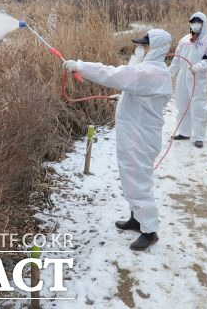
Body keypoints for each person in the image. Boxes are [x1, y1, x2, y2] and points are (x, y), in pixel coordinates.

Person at [62, 29, 173, 251]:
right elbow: (136, 88)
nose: (140, 48)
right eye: (141, 44)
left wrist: (79, 66)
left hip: (140, 137)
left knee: (138, 182)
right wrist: (123, 97)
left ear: (157, 48)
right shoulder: (150, 71)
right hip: (136, 133)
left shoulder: (150, 72)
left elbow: (112, 74)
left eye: (145, 45)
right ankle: (137, 218)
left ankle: (149, 230)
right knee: (131, 178)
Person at [169, 12, 207, 148]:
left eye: (198, 22)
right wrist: (169, 73)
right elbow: (176, 59)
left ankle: (199, 136)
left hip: (197, 77)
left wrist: (198, 67)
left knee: (198, 105)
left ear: (204, 24)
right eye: (193, 22)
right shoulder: (185, 40)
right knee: (181, 103)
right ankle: (184, 132)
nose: (195, 25)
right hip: (182, 76)